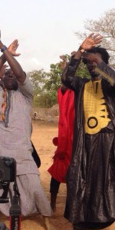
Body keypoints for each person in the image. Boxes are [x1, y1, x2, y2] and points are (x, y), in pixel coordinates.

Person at [61, 33, 115, 230]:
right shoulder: (81, 85)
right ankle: (78, 226)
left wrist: (97, 59)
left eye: (95, 62)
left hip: (110, 143)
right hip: (86, 143)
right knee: (81, 181)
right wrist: (80, 51)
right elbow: (66, 78)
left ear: (104, 64)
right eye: (88, 63)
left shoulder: (111, 85)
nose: (91, 66)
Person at [0, 28, 55, 230]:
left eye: (14, 75)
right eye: (7, 74)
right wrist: (2, 53)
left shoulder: (26, 95)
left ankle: (47, 220)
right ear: (2, 80)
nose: (11, 76)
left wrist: (6, 50)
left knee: (33, 185)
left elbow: (21, 74)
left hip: (21, 148)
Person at [47, 55, 75, 211]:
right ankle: (52, 203)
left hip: (76, 140)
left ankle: (71, 205)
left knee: (74, 174)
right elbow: (65, 83)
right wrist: (66, 68)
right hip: (64, 140)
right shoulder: (65, 93)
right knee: (57, 171)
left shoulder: (80, 91)